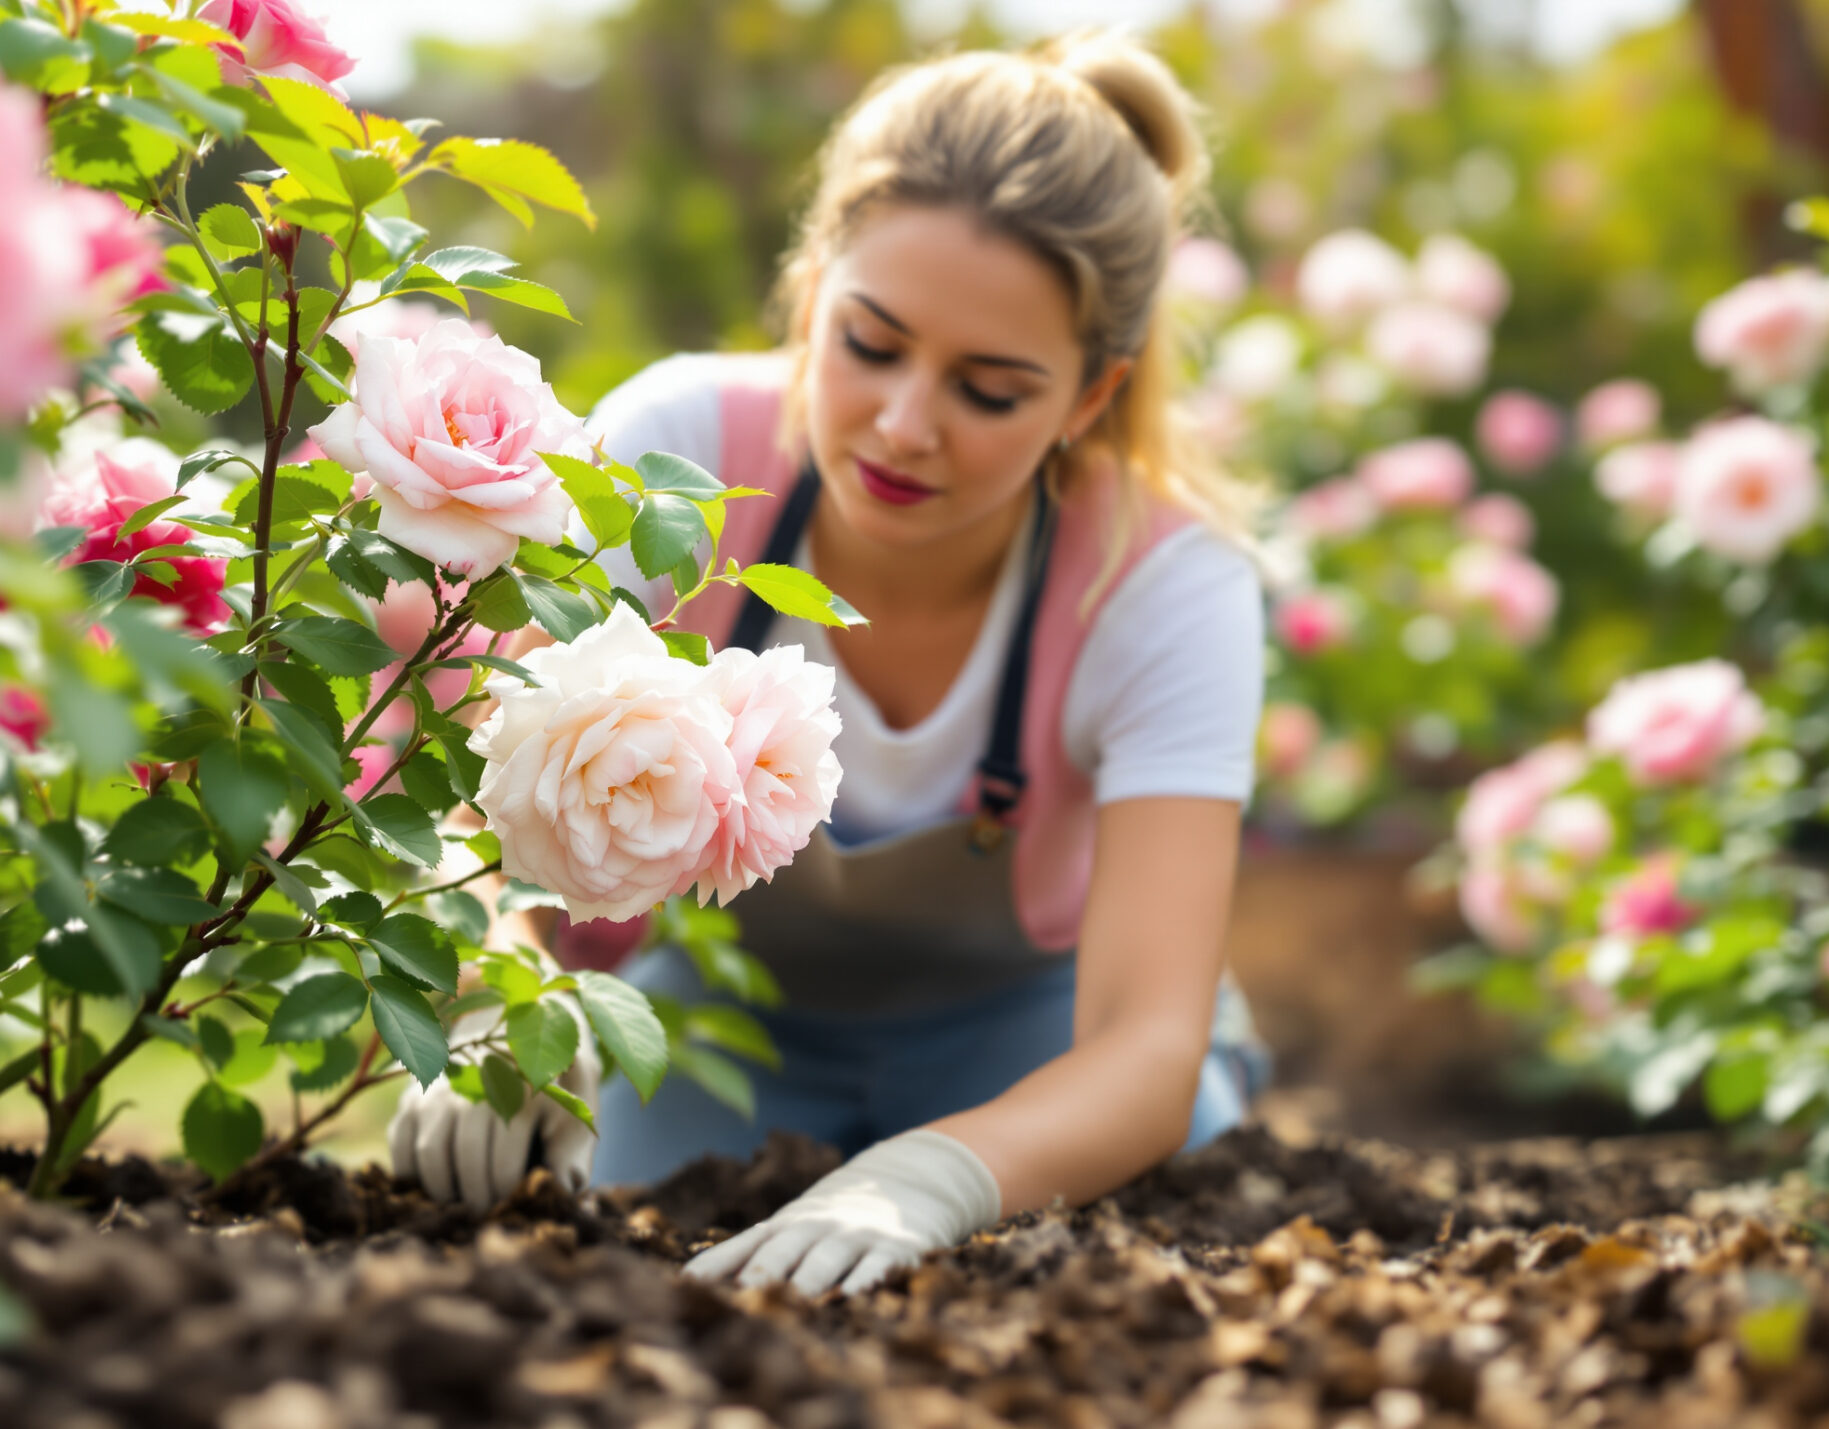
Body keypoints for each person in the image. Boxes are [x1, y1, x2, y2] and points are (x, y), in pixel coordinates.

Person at [388, 30, 1269, 1297]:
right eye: (870, 344)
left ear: (1088, 397)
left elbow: (1141, 1044)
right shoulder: (674, 456)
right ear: (810, 299)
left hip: (1036, 1044)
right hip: (719, 1023)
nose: (907, 425)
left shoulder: (1165, 583)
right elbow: (485, 826)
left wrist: (932, 1179)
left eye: (991, 389)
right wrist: (503, 1006)